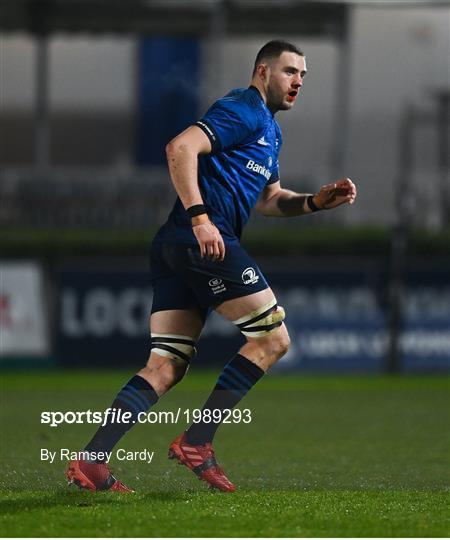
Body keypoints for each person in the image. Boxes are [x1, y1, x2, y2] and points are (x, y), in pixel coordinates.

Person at [66, 39, 357, 493]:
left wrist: (316, 202)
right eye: (289, 71)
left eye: (303, 74)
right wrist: (201, 219)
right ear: (262, 72)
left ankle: (92, 460)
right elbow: (179, 147)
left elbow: (269, 200)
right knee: (272, 337)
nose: (298, 80)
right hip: (202, 237)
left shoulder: (270, 131)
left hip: (176, 244)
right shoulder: (242, 107)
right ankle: (198, 441)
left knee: (166, 364)